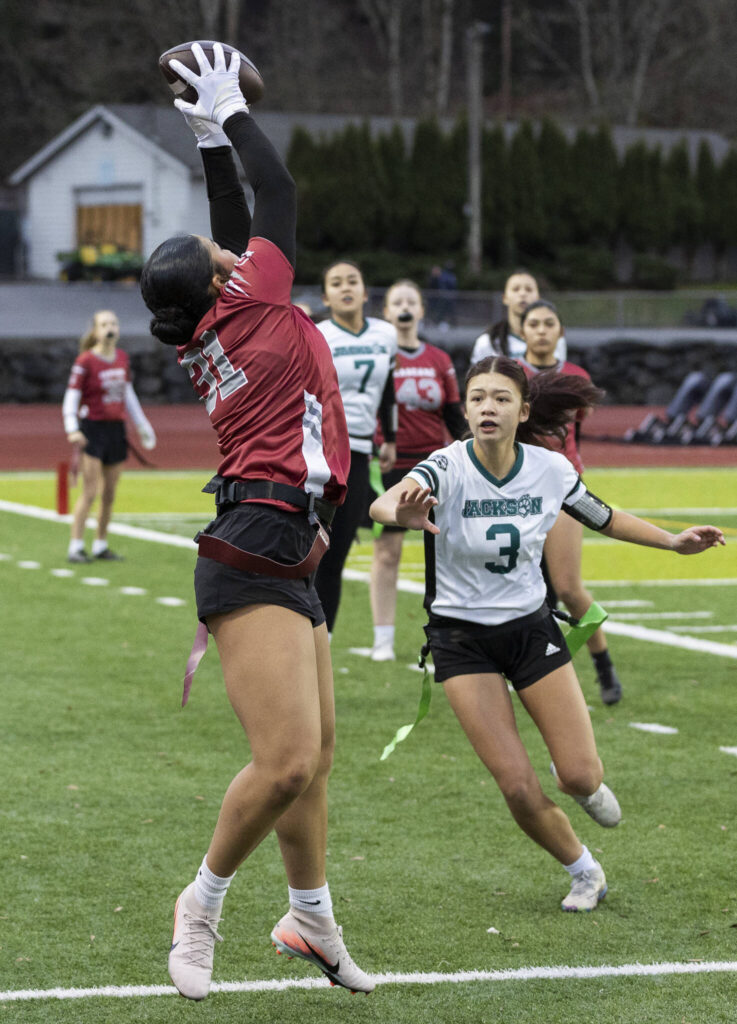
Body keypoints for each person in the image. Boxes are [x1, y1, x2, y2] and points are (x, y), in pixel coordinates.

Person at [139, 43, 373, 1000]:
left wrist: (201, 142)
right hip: (258, 542)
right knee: (284, 763)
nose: (234, 249)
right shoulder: (254, 298)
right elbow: (273, 196)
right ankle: (202, 901)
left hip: (286, 534)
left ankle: (310, 918)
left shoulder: (210, 317)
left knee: (316, 755)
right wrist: (229, 111)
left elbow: (229, 223)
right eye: (222, 258)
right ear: (222, 280)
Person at [370, 355, 724, 912]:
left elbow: (603, 516)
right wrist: (401, 511)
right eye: (479, 397)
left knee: (583, 777)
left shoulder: (551, 469)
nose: (489, 406)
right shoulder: (445, 465)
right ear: (465, 408)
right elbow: (384, 501)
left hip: (532, 630)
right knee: (515, 784)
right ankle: (584, 871)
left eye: (502, 398)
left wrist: (673, 542)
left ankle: (575, 777)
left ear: (523, 410)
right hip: (461, 641)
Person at [517, 300, 623, 705]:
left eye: (549, 324)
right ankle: (532, 673)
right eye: (534, 324)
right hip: (517, 491)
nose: (541, 330)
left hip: (563, 489)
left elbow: (579, 424)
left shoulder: (576, 375)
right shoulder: (511, 373)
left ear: (560, 332)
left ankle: (604, 665)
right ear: (521, 332)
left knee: (568, 587)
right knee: (527, 591)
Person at [369, 279, 466, 661]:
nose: (405, 307)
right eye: (397, 301)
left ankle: (449, 634)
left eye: (412, 301)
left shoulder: (440, 360)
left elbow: (454, 414)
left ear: (421, 310)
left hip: (435, 465)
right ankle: (382, 639)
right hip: (391, 464)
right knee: (387, 552)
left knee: (445, 551)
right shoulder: (379, 356)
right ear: (387, 312)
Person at [313, 259, 397, 637]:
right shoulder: (317, 334)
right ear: (325, 296)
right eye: (336, 282)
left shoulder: (385, 334)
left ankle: (322, 646)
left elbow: (389, 389)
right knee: (313, 556)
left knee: (337, 558)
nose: (345, 287)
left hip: (360, 455)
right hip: (320, 456)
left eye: (352, 281)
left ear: (365, 292)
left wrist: (390, 437)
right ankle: (302, 643)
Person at [61, 309, 156, 563]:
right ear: (95, 330)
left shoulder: (122, 358)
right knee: (89, 491)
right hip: (93, 429)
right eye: (104, 324)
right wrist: (72, 428)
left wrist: (143, 425)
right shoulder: (85, 361)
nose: (109, 327)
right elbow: (71, 396)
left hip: (116, 429)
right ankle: (76, 545)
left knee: (110, 494)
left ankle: (101, 544)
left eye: (113, 322)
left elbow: (128, 395)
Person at [470, 269, 567, 364]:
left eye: (529, 289)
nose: (522, 294)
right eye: (516, 289)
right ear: (504, 298)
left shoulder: (553, 338)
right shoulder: (488, 341)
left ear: (538, 297)